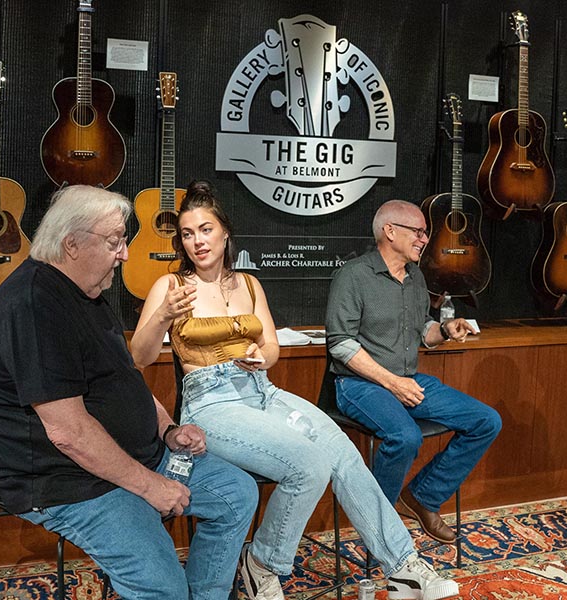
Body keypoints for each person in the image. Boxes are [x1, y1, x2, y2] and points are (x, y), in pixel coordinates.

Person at [130, 182, 460, 600]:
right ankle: (262, 564)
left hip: (261, 391)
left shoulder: (248, 284)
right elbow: (139, 357)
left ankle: (403, 567)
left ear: (224, 233)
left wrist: (259, 355)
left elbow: (270, 348)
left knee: (341, 451)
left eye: (205, 230)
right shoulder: (171, 287)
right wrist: (161, 317)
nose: (197, 241)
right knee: (308, 464)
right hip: (211, 404)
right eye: (188, 233)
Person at [0, 185, 258, 600]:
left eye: (123, 240)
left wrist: (168, 431)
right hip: (72, 480)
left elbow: (125, 380)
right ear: (71, 243)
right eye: (114, 242)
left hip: (138, 457)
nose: (125, 253)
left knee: (237, 494)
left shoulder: (89, 290)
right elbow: (68, 433)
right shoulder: (32, 306)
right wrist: (149, 486)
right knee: (162, 588)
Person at [325, 199, 502, 545]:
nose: (424, 239)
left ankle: (422, 498)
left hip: (407, 380)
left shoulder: (416, 276)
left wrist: (445, 330)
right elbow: (340, 344)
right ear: (390, 232)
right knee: (406, 438)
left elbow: (422, 330)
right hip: (359, 384)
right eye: (418, 232)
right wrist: (393, 383)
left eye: (425, 232)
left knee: (486, 421)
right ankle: (380, 525)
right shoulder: (353, 276)